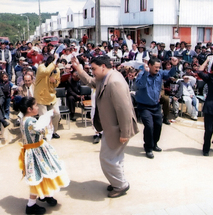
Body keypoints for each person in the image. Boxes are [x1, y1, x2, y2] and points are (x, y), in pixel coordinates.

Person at [71, 55, 139, 198]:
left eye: (94, 69)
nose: (93, 72)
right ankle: (118, 181)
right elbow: (91, 81)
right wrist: (78, 68)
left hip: (118, 129)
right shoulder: (106, 78)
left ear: (103, 66)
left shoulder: (114, 82)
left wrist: (125, 133)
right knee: (116, 158)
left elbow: (124, 109)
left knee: (107, 159)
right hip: (111, 127)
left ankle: (120, 185)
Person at [18, 97, 69, 215]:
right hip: (36, 152)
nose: (37, 107)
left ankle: (46, 195)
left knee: (44, 173)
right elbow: (44, 132)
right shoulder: (32, 122)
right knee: (37, 176)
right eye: (35, 106)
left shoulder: (24, 119)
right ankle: (31, 205)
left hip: (34, 150)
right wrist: (48, 122)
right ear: (29, 109)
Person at [135, 57, 178, 159]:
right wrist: (145, 73)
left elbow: (170, 74)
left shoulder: (160, 73)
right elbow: (140, 85)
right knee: (149, 126)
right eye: (156, 67)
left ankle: (154, 143)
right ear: (149, 66)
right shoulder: (142, 74)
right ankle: (148, 148)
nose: (158, 69)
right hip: (144, 106)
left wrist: (174, 65)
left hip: (155, 106)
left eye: (159, 67)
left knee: (158, 125)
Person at [34, 54, 61, 139]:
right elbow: (46, 72)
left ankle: (53, 131)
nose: (56, 66)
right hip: (41, 97)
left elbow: (57, 83)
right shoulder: (41, 67)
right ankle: (45, 134)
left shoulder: (57, 70)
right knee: (44, 117)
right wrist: (54, 61)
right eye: (55, 63)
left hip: (51, 96)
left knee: (57, 114)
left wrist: (54, 81)